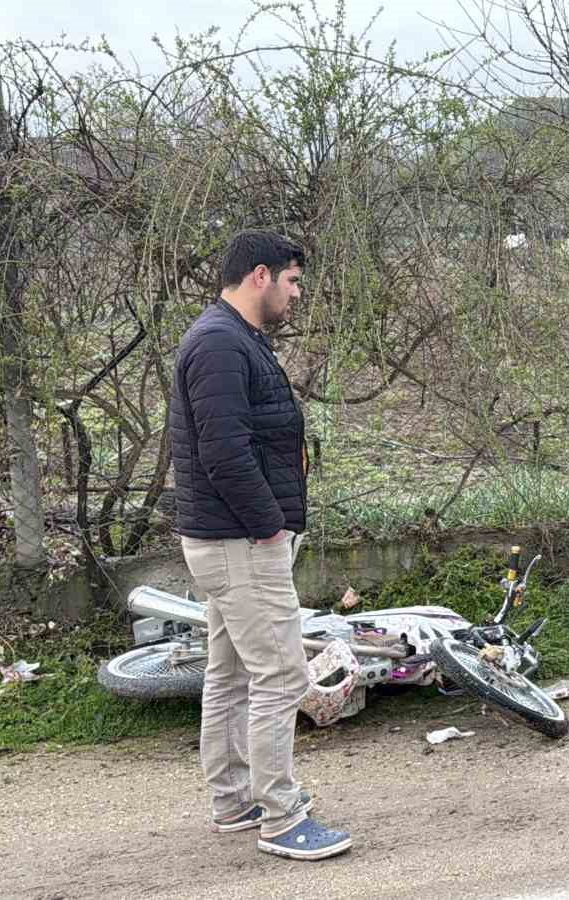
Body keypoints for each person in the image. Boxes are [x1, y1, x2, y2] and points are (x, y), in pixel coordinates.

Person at [170, 231, 350, 860]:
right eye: (294, 282)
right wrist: (270, 524)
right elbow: (223, 452)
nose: (298, 295)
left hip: (227, 540)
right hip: (241, 542)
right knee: (280, 673)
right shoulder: (221, 343)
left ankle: (234, 799)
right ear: (260, 275)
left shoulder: (233, 337)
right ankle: (281, 815)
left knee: (231, 673)